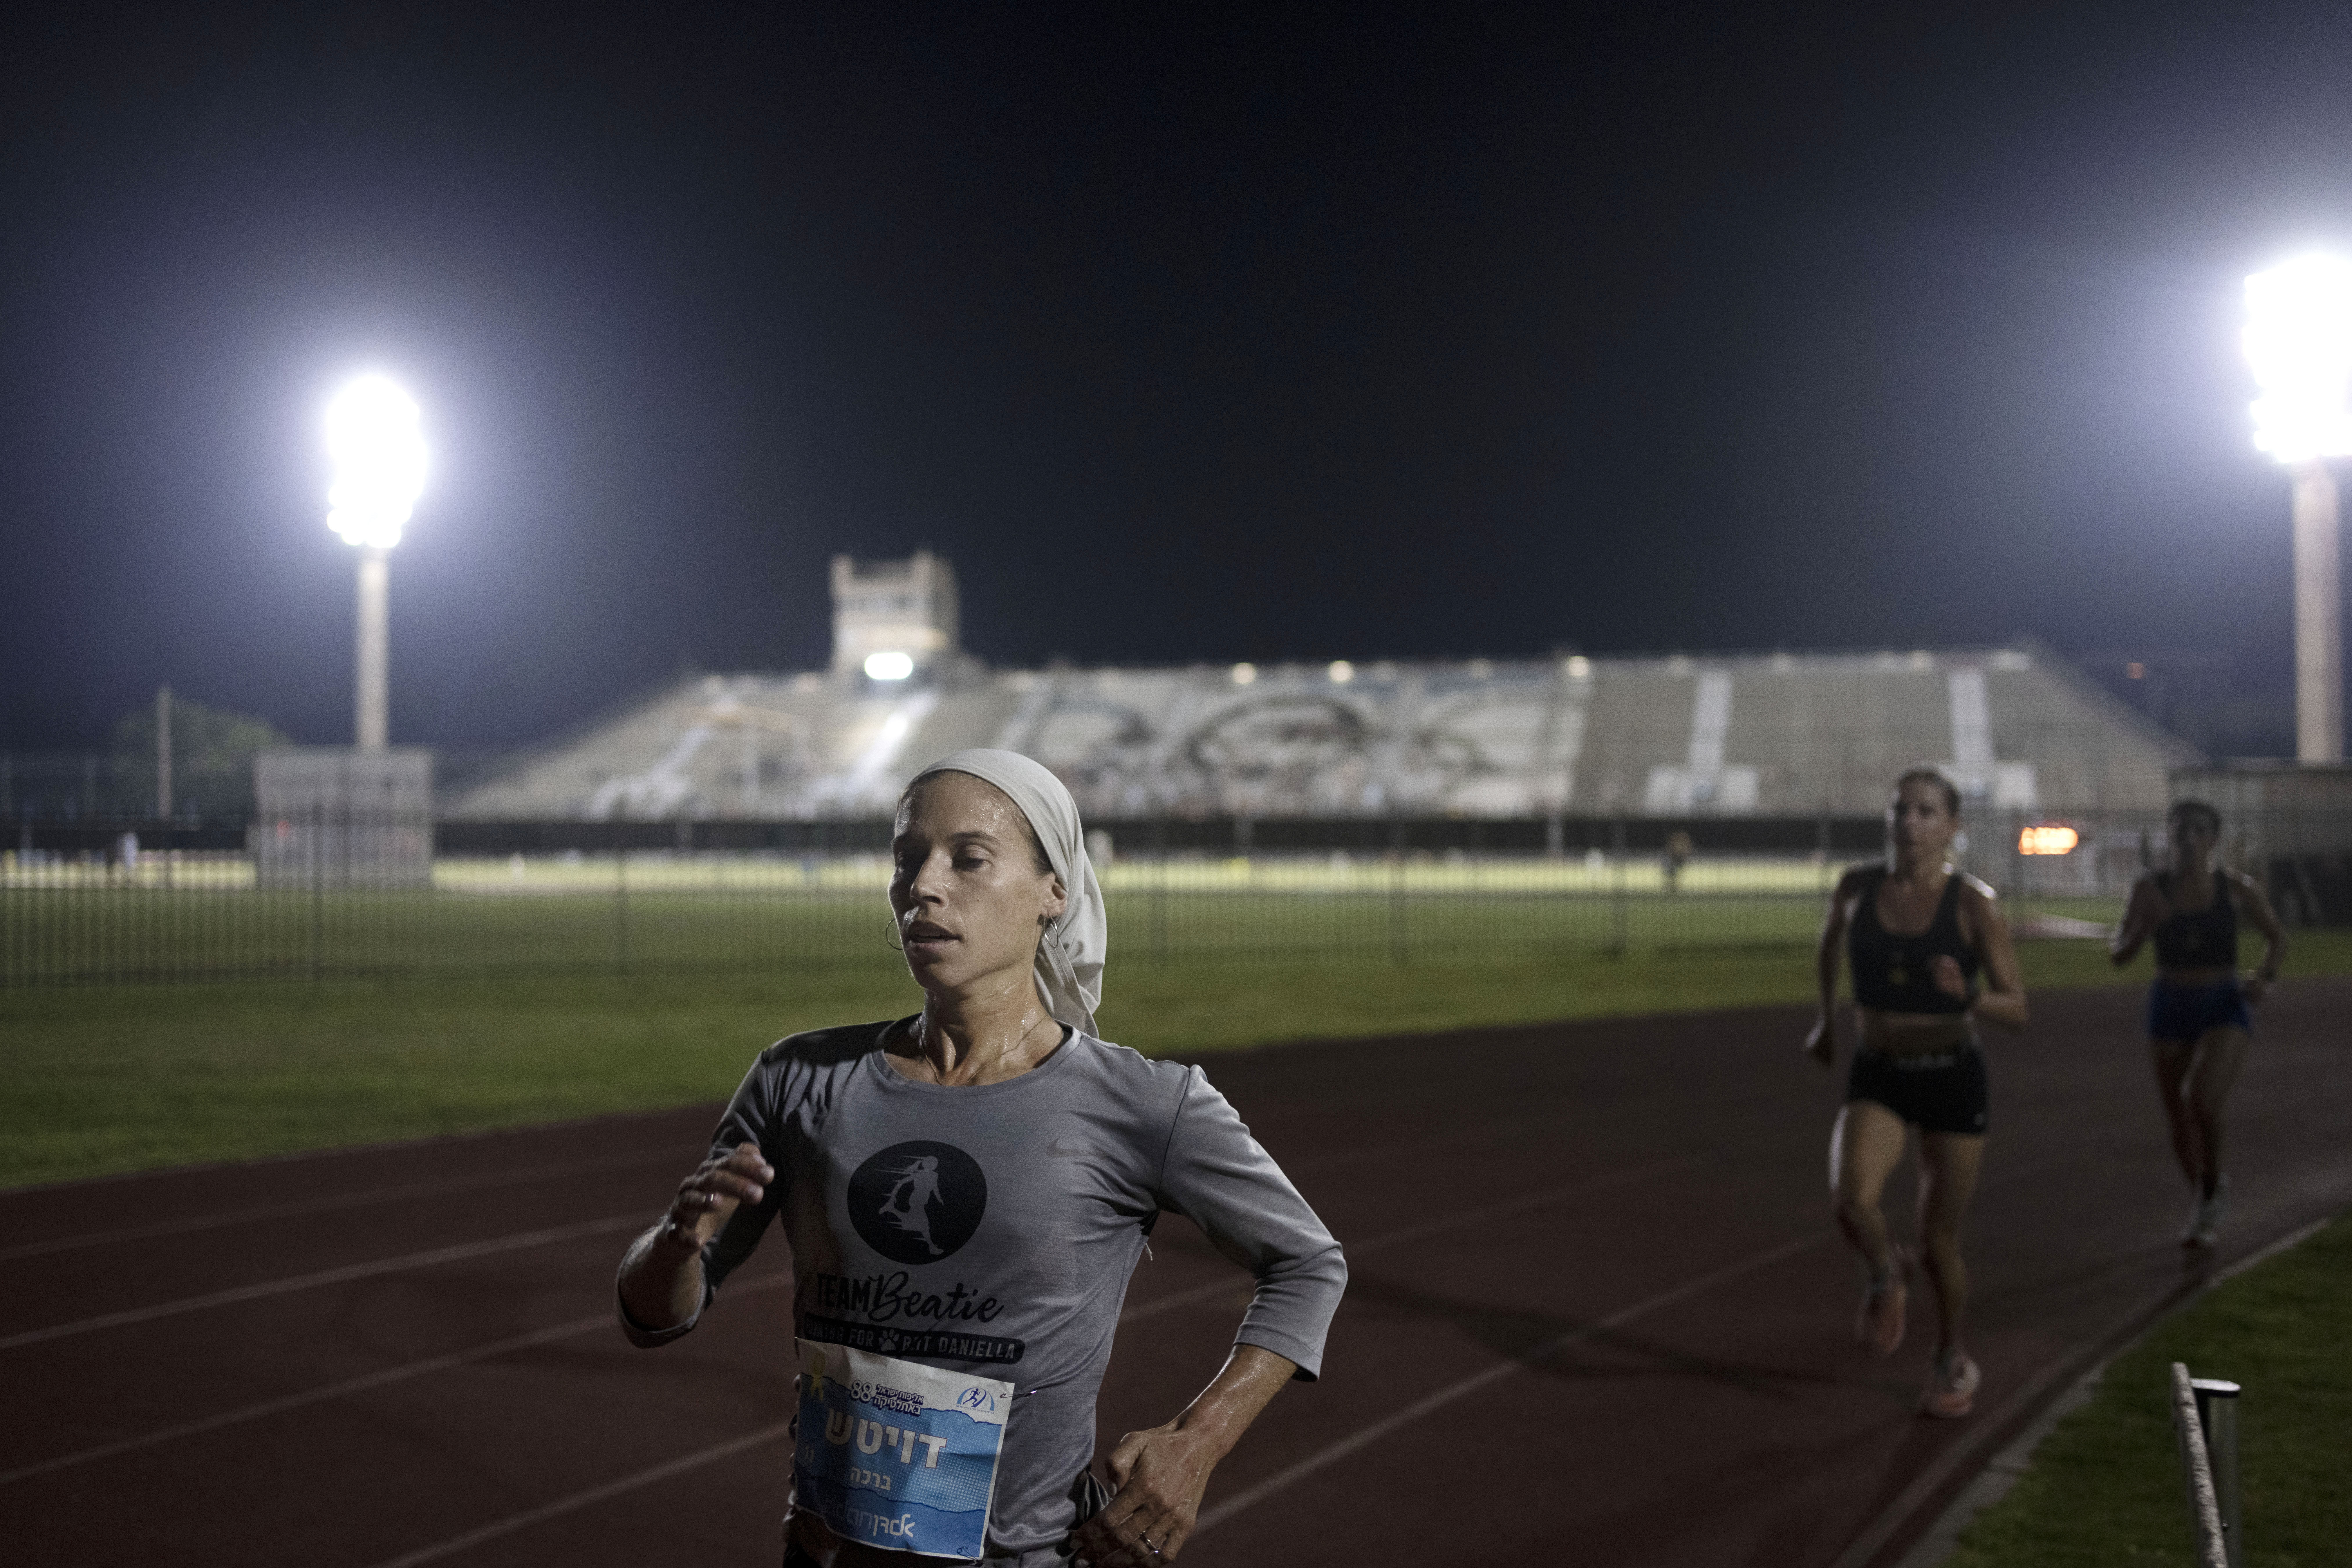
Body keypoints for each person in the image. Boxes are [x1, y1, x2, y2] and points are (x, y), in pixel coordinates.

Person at [616, 749, 1346, 1567]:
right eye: (907, 859)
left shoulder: (1144, 1103)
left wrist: (1198, 1442)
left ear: (1053, 891)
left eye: (969, 858)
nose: (925, 885)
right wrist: (677, 1244)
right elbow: (654, 1316)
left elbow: (1308, 1263)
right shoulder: (798, 1078)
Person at [1805, 766, 2028, 1419]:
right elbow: (1827, 947)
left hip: (1953, 1074)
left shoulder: (1973, 904)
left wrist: (1970, 995)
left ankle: (1952, 1353)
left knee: (1939, 1241)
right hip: (1880, 1071)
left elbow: (2018, 1009)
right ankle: (1883, 1270)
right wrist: (1825, 1018)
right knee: (1852, 1202)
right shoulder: (1855, 889)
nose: (1909, 823)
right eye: (1900, 810)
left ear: (1953, 826)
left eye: (1926, 812)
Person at [2107, 799, 2286, 1248]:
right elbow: (2118, 956)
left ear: (2213, 839)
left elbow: (2277, 938)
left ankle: (2210, 1188)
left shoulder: (2236, 889)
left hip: (2221, 1002)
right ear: (2169, 835)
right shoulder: (2150, 889)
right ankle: (2204, 1200)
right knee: (2177, 1117)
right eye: (2181, 831)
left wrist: (2263, 979)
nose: (2189, 840)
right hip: (2169, 1003)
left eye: (2199, 831)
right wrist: (2141, 930)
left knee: (2201, 1100)